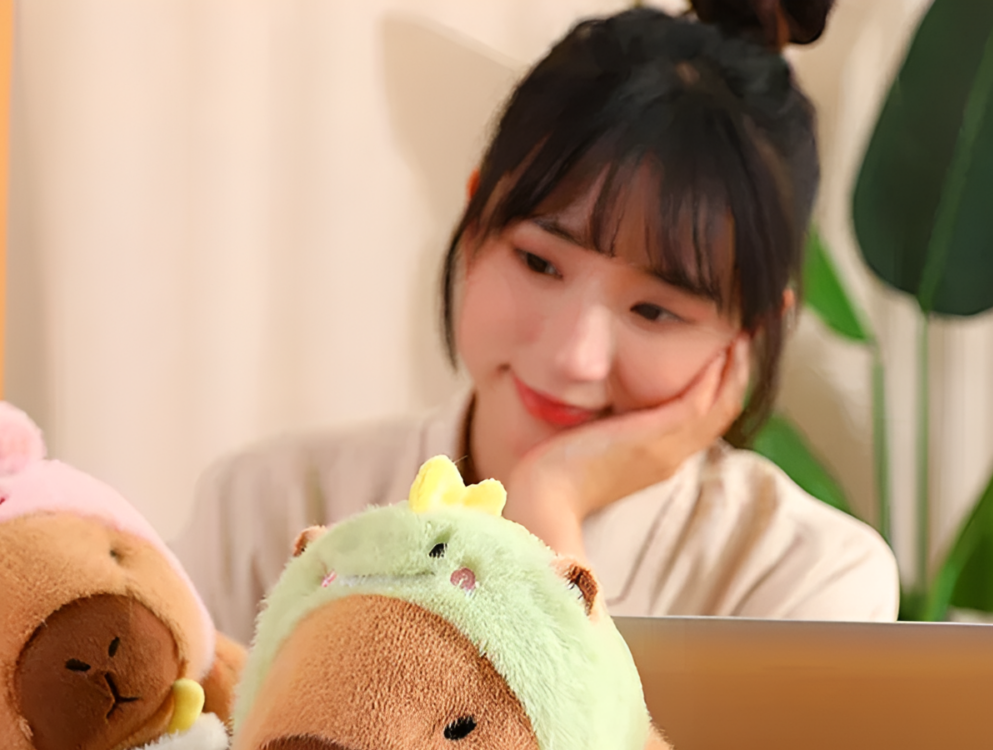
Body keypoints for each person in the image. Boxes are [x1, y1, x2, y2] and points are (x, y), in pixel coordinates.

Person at [174, 0, 899, 645]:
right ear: (474, 211)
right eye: (539, 263)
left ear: (754, 332)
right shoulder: (269, 506)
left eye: (654, 310)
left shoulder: (806, 578)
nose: (572, 355)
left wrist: (546, 508)